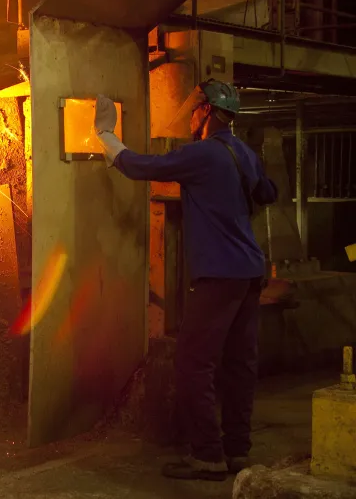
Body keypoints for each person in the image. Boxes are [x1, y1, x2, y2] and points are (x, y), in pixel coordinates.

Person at [94, 80, 278, 481]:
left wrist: (107, 137)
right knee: (239, 365)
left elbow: (142, 166)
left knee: (194, 365)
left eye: (195, 110)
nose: (191, 117)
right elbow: (268, 192)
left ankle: (208, 455)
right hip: (250, 272)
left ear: (207, 112)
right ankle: (237, 451)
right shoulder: (243, 152)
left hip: (219, 274)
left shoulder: (203, 154)